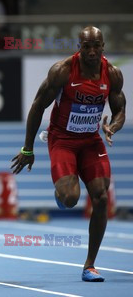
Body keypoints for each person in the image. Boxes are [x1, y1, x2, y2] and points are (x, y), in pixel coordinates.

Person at [11, 26, 126, 282]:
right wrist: (27, 148)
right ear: (79, 47)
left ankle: (90, 264)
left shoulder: (113, 74)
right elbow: (38, 106)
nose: (92, 52)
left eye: (97, 46)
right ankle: (62, 193)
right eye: (87, 47)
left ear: (103, 47)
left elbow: (119, 110)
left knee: (101, 197)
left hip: (91, 142)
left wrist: (112, 127)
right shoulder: (62, 71)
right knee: (71, 198)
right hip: (62, 140)